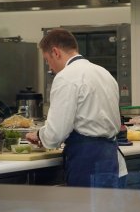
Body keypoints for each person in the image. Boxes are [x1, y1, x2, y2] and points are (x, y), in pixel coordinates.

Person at [26, 28, 127, 188]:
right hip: (111, 157)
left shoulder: (65, 77)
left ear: (55, 52)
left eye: (47, 60)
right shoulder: (104, 73)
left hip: (87, 159)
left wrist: (40, 135)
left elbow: (56, 133)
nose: (49, 68)